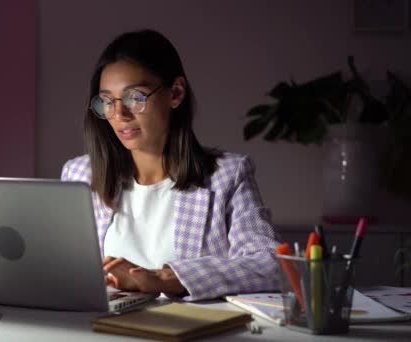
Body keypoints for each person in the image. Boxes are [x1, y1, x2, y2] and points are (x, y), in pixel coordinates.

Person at [60, 29, 280, 301]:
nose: (119, 114)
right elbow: (59, 266)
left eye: (135, 97)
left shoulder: (227, 176)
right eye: (107, 101)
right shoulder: (80, 175)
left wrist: (163, 279)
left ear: (175, 93)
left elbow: (271, 264)